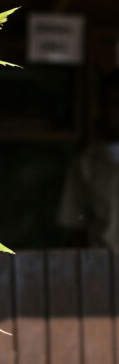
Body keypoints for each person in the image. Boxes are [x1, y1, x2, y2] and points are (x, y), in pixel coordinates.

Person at [58, 73, 119, 248]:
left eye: (117, 104)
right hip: (102, 265)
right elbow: (76, 226)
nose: (111, 111)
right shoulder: (86, 163)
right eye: (106, 103)